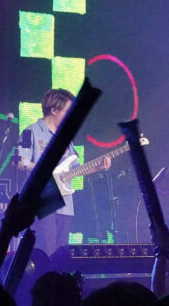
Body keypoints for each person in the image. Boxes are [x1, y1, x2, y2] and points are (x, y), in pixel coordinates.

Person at [19, 89, 110, 255]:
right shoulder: (31, 131)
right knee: (45, 252)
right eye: (67, 111)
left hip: (66, 205)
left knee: (61, 254)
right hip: (43, 202)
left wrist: (97, 168)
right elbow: (19, 162)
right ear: (54, 110)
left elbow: (74, 169)